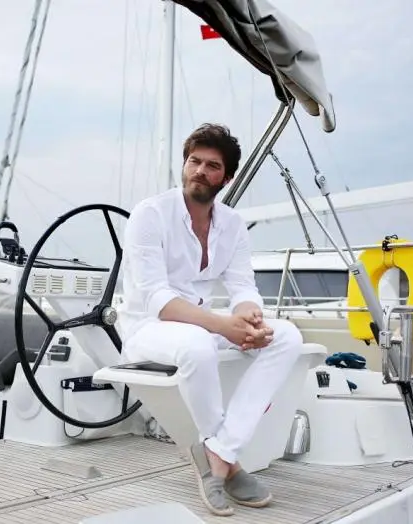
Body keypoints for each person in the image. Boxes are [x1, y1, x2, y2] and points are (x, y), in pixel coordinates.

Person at [119, 123, 303, 516]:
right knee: (199, 343)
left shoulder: (232, 224)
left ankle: (219, 452)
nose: (200, 171)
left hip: (199, 323)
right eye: (194, 161)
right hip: (147, 328)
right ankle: (226, 465)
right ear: (185, 164)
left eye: (212, 166)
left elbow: (243, 286)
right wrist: (223, 326)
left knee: (286, 336)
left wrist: (249, 317)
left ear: (227, 177)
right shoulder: (150, 214)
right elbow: (156, 299)